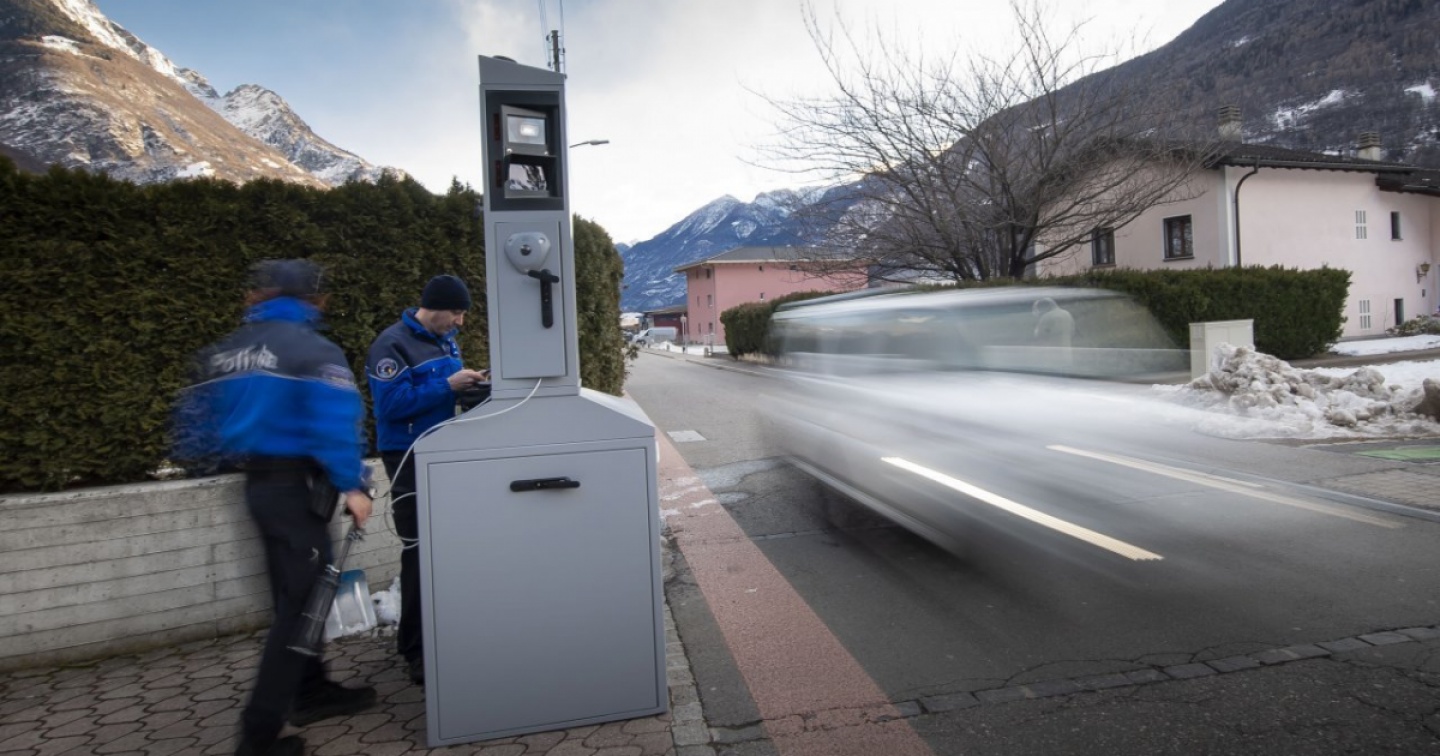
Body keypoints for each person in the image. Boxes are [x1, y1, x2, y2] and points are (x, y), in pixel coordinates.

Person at [173, 260, 377, 756]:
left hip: (259, 487)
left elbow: (194, 423)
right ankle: (257, 737)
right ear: (313, 298)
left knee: (291, 597)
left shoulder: (228, 350)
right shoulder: (312, 350)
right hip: (298, 490)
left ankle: (311, 691)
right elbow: (332, 425)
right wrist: (353, 485)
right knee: (299, 611)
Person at [366, 274, 488, 685]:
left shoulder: (444, 341)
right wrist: (448, 385)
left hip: (441, 453)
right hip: (409, 456)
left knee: (445, 548)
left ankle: (445, 636)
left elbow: (442, 392)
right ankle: (415, 650)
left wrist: (470, 384)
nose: (460, 322)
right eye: (456, 313)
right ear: (434, 307)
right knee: (420, 550)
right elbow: (390, 405)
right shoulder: (392, 345)